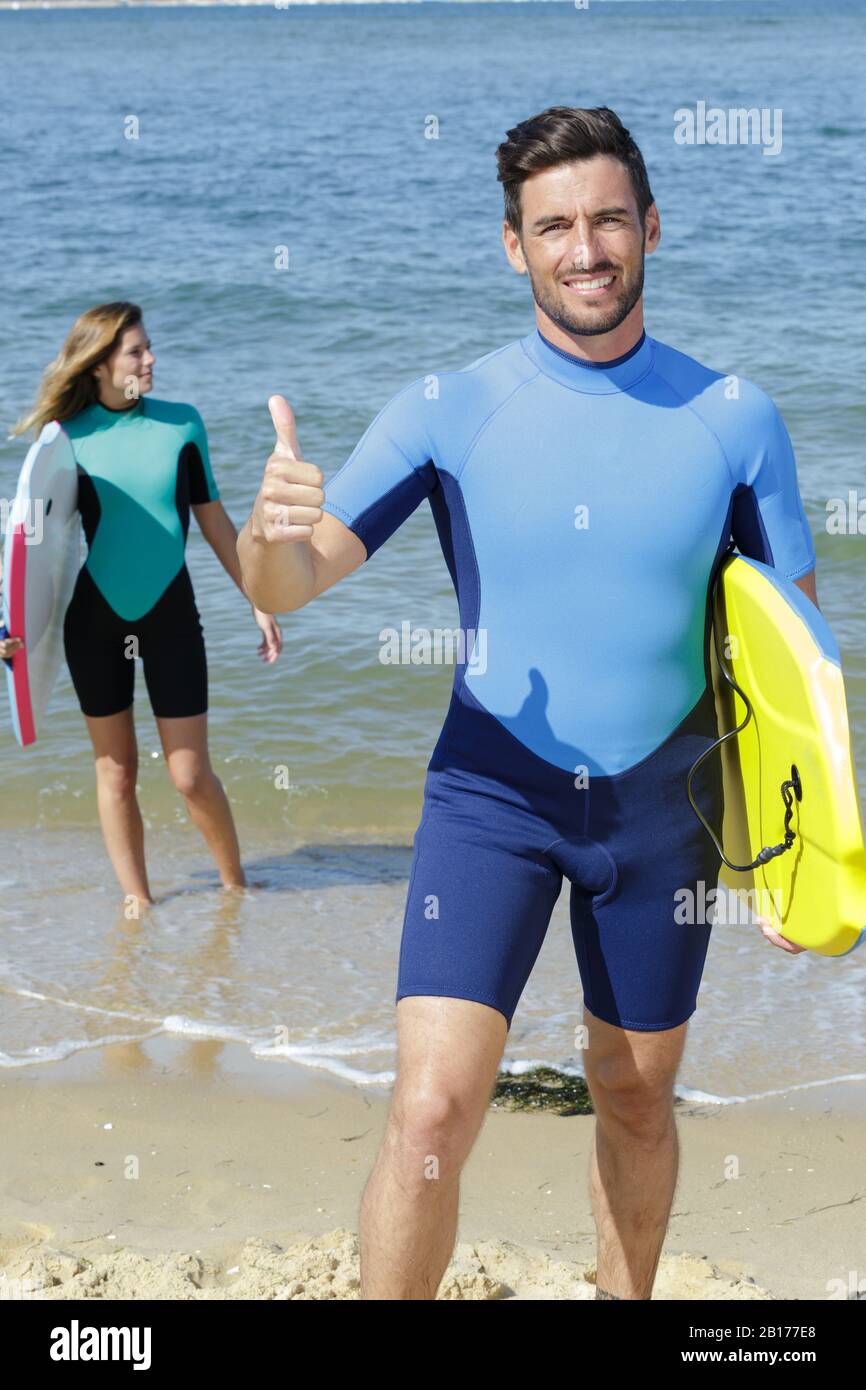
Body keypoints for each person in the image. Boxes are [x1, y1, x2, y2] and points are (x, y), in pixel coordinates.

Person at [237, 106, 818, 1300]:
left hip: (667, 810)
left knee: (634, 1093)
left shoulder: (734, 419)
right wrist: (262, 540)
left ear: (649, 227)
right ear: (514, 246)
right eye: (553, 225)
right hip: (490, 795)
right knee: (432, 1110)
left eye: (607, 218)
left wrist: (797, 847)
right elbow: (298, 577)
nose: (584, 248)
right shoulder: (449, 409)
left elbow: (793, 657)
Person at [10, 302, 281, 906]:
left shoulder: (181, 426)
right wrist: (14, 627)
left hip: (171, 618)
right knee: (117, 769)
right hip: (94, 624)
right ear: (101, 364)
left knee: (189, 775)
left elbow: (215, 524)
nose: (150, 358)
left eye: (148, 346)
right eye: (136, 351)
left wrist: (259, 598)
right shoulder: (65, 442)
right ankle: (138, 901)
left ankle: (236, 888)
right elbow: (35, 549)